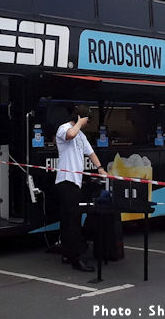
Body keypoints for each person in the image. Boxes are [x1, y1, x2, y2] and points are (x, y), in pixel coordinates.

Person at [55, 104, 107, 272]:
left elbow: (90, 153)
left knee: (68, 219)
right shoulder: (64, 128)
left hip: (75, 181)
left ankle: (67, 253)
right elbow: (70, 135)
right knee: (73, 220)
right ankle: (76, 257)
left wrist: (100, 168)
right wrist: (79, 122)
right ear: (80, 118)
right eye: (87, 120)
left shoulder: (81, 136)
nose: (87, 124)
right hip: (66, 180)